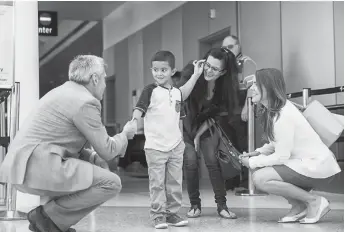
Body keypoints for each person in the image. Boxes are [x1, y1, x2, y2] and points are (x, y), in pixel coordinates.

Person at [0, 55, 137, 232]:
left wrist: (94, 158)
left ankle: (51, 223)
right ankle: (47, 218)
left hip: (23, 166)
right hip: (39, 165)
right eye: (103, 77)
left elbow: (64, 142)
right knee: (111, 183)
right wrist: (125, 134)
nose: (104, 83)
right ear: (95, 78)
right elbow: (108, 150)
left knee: (91, 171)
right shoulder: (86, 102)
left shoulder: (63, 92)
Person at [239, 68, 341, 224]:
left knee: (259, 178)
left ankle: (314, 201)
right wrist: (256, 153)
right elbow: (278, 143)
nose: (251, 88)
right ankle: (298, 206)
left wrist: (252, 162)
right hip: (307, 164)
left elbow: (282, 156)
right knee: (260, 169)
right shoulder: (276, 110)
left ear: (269, 87)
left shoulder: (282, 115)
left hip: (316, 167)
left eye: (256, 84)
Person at [132, 51, 203, 229]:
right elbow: (139, 109)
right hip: (155, 147)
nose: (159, 73)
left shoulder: (177, 93)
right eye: (155, 69)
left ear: (172, 71)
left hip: (175, 147)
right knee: (157, 184)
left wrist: (195, 75)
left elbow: (180, 114)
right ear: (151, 70)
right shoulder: (150, 90)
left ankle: (172, 214)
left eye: (164, 69)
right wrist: (134, 122)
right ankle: (158, 215)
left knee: (175, 183)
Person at [179, 47, 239, 219]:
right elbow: (179, 96)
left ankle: (222, 206)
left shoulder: (224, 87)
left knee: (212, 160)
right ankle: (194, 205)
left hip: (204, 126)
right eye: (207, 64)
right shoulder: (193, 70)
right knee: (190, 161)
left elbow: (216, 115)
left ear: (223, 72)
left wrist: (198, 135)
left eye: (214, 68)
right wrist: (196, 75)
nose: (209, 70)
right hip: (184, 125)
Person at [221, 35, 257, 190]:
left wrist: (247, 107)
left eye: (230, 47)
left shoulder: (246, 63)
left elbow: (253, 86)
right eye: (224, 48)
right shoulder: (224, 65)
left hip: (240, 112)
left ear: (238, 46)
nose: (227, 51)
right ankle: (233, 179)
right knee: (229, 147)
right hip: (225, 112)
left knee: (244, 146)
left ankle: (246, 180)